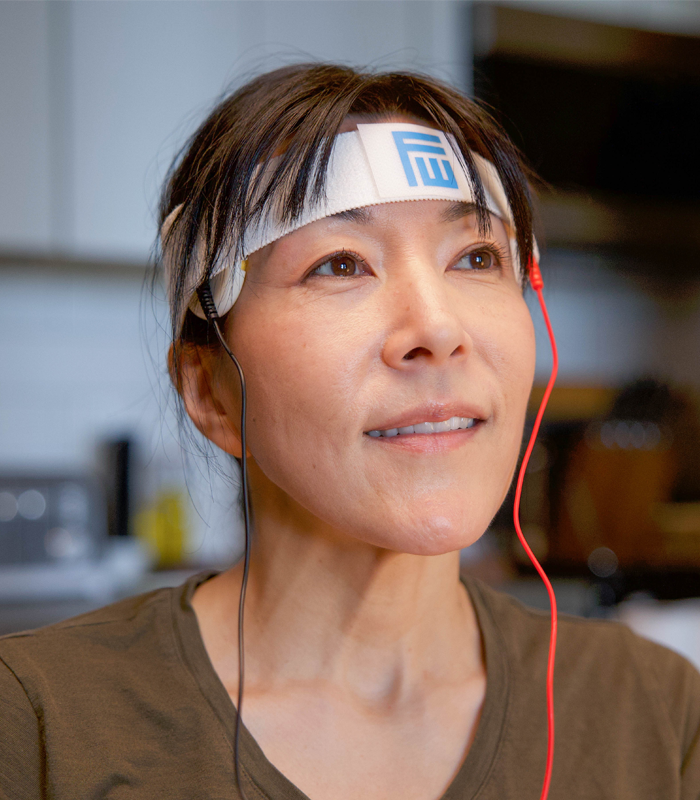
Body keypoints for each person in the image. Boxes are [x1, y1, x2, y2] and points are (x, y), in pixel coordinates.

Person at [1, 63, 699, 800]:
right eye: (341, 264)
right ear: (210, 392)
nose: (436, 328)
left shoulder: (652, 711)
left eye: (475, 257)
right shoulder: (40, 727)